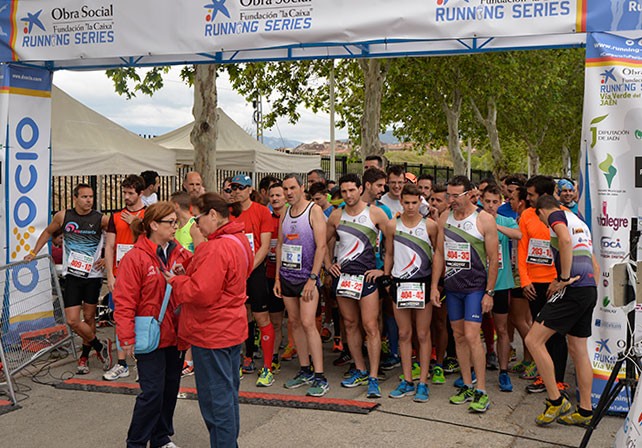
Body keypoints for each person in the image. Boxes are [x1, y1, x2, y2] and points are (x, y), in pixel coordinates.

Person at [166, 193, 253, 448]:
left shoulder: (217, 246)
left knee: (216, 402)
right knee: (227, 395)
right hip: (231, 328)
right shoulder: (237, 240)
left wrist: (176, 281)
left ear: (212, 215)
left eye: (198, 217)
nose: (195, 224)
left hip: (211, 331)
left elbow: (201, 292)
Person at [114, 202, 192, 448]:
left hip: (176, 332)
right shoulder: (135, 258)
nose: (175, 226)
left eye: (175, 222)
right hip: (150, 335)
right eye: (170, 222)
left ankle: (160, 437)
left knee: (170, 390)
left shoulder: (179, 252)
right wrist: (126, 337)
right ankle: (136, 442)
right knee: (152, 393)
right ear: (153, 225)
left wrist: (185, 273)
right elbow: (124, 300)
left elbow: (195, 277)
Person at [526, 195, 598, 426]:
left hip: (573, 289)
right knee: (578, 349)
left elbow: (565, 242)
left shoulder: (556, 215)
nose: (547, 227)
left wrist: (563, 279)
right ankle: (586, 411)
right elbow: (594, 262)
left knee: (533, 341)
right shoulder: (580, 222)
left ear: (541, 212)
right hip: (588, 288)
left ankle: (556, 401)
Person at [26, 183, 112, 375]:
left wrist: (106, 258)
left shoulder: (101, 219)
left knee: (89, 318)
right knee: (73, 320)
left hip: (93, 276)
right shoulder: (64, 216)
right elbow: (48, 232)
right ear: (75, 198)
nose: (88, 200)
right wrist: (33, 252)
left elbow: (116, 237)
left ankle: (84, 357)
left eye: (91, 197)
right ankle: (100, 347)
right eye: (84, 197)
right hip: (72, 275)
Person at [430, 175, 498, 413]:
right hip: (452, 287)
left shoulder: (484, 220)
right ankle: (467, 384)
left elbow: (493, 260)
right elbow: (439, 252)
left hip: (475, 288)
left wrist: (489, 293)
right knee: (458, 336)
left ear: (470, 194)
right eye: (448, 195)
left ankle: (482, 390)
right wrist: (434, 286)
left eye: (455, 196)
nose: (451, 200)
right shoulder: (444, 217)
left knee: (471, 336)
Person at [326, 173, 393, 399]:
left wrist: (384, 270)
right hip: (344, 278)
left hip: (367, 279)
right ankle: (361, 370)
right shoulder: (336, 215)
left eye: (351, 190)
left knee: (370, 326)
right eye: (343, 192)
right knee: (350, 324)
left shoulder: (375, 213)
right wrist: (328, 264)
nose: (348, 195)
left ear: (359, 189)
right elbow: (324, 242)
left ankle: (374, 377)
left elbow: (392, 243)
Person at [275, 174, 329, 397]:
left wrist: (313, 278)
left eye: (292, 188)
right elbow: (280, 245)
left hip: (308, 277)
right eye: (285, 189)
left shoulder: (313, 210)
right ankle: (304, 369)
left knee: (308, 322)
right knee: (295, 322)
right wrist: (278, 277)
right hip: (288, 276)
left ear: (302, 188)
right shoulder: (284, 213)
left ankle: (320, 376)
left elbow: (322, 246)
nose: (288, 192)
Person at [518, 176, 569, 393]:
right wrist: (524, 280)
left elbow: (567, 249)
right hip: (534, 283)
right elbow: (522, 247)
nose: (527, 198)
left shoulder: (563, 215)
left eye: (531, 195)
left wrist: (559, 280)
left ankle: (558, 379)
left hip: (554, 283)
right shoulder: (527, 215)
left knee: (555, 334)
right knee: (539, 335)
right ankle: (543, 377)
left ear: (544, 195)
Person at [386, 184, 437, 403]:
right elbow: (388, 253)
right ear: (401, 203)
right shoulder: (392, 225)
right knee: (404, 334)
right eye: (406, 203)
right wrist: (387, 278)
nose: (409, 207)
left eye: (414, 202)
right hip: (400, 283)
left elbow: (438, 257)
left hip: (422, 283)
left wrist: (435, 285)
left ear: (420, 202)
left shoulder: (431, 226)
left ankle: (423, 382)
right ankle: (407, 380)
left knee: (423, 334)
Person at [230, 173, 276, 387]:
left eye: (241, 187)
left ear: (250, 190)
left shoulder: (261, 212)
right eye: (233, 188)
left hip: (254, 270)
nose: (236, 191)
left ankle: (267, 368)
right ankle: (245, 358)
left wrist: (248, 267)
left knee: (261, 316)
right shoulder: (228, 212)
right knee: (241, 315)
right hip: (234, 272)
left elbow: (264, 246)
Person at [104, 174, 147, 381]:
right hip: (120, 273)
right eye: (124, 192)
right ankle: (121, 363)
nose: (126, 196)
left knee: (141, 318)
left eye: (131, 193)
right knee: (121, 318)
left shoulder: (148, 215)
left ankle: (142, 363)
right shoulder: (115, 217)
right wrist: (110, 275)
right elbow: (110, 246)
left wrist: (136, 223)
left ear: (140, 193)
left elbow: (151, 240)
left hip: (141, 274)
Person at [481, 184, 522, 393]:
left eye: (494, 202)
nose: (490, 206)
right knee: (473, 330)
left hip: (502, 283)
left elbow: (519, 235)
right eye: (486, 201)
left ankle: (504, 371)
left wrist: (494, 227)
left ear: (500, 202)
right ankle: (473, 371)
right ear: (481, 201)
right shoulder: (475, 220)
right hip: (478, 283)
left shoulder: (505, 220)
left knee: (502, 329)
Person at [169, 191, 206, 377]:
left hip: (190, 279)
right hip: (180, 277)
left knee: (188, 319)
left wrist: (190, 274)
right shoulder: (177, 227)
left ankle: (190, 361)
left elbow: (199, 255)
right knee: (180, 319)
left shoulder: (194, 226)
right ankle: (184, 357)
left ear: (176, 205)